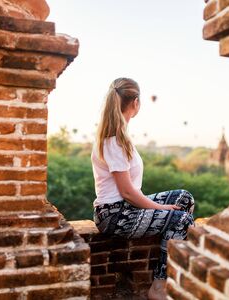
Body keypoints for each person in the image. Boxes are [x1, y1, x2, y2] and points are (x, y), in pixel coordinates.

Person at [91, 77, 195, 299]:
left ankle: (168, 260)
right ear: (135, 103)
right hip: (114, 215)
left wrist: (160, 208)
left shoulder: (121, 137)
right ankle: (159, 285)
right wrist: (160, 207)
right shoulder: (114, 141)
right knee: (181, 219)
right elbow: (127, 192)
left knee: (184, 198)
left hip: (126, 207)